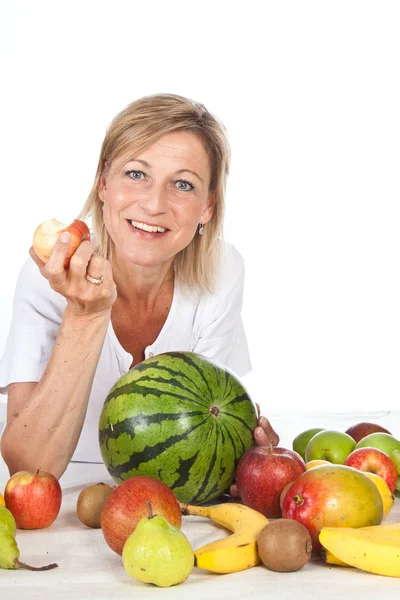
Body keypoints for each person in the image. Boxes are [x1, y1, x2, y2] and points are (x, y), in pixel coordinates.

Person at [0, 93, 279, 485]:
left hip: (168, 505)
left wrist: (243, 456)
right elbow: (28, 470)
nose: (153, 204)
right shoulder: (46, 279)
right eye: (136, 174)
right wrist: (86, 314)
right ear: (103, 184)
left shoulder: (223, 272)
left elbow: (204, 451)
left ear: (207, 207)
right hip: (67, 498)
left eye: (182, 184)